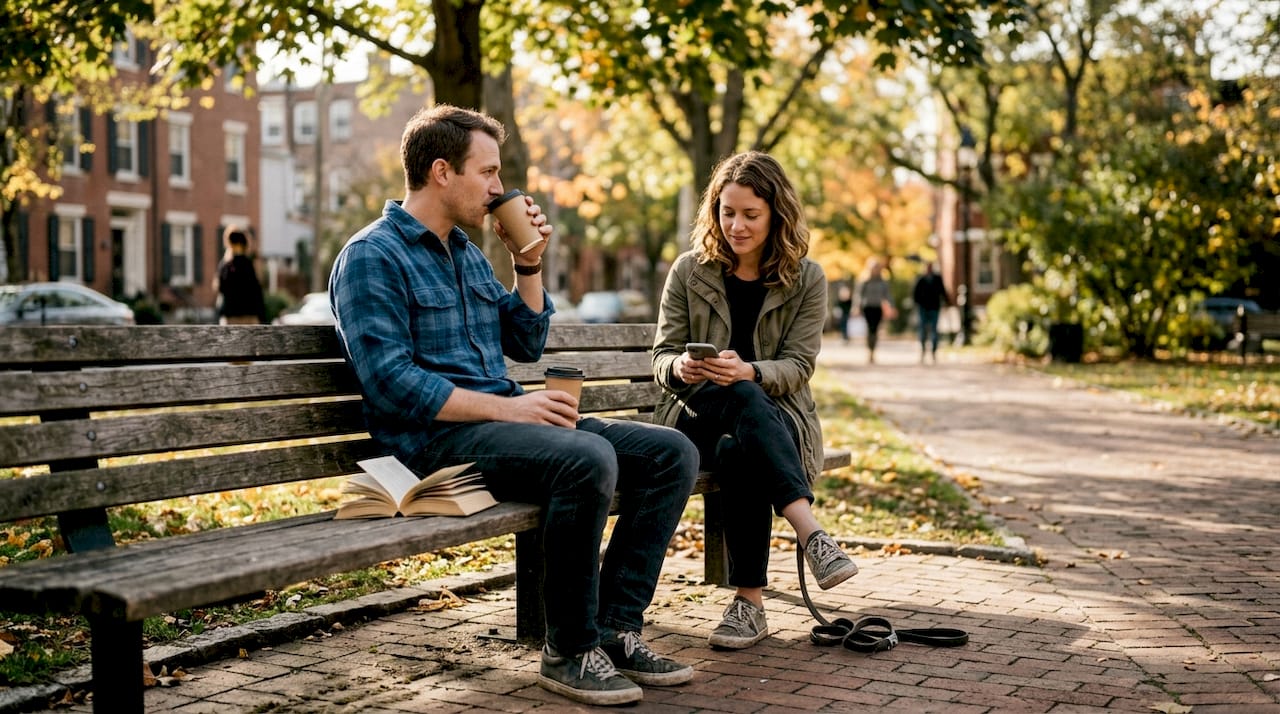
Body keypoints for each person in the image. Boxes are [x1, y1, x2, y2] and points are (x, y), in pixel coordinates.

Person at [328, 105, 699, 707]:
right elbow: (390, 383)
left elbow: (523, 341)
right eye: (489, 172)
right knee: (586, 458)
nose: (500, 188)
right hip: (427, 449)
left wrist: (527, 264)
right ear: (442, 171)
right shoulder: (373, 256)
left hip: (500, 426)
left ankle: (614, 629)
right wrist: (513, 411)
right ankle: (569, 650)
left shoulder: (467, 252)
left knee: (671, 452)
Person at [651, 151, 858, 651]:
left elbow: (799, 366)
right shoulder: (688, 271)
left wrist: (751, 371)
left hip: (768, 420)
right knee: (735, 398)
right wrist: (679, 367)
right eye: (727, 212)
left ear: (776, 214)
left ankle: (750, 605)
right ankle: (810, 533)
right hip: (691, 418)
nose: (736, 226)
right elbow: (660, 356)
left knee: (738, 448)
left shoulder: (806, 278)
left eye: (750, 214)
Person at [214, 226, 266, 325]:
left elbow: (220, 287)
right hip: (250, 316)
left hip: (230, 317)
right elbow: (258, 292)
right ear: (245, 245)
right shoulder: (250, 265)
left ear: (230, 244)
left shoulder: (226, 266)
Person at [855, 259, 894, 363]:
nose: (875, 270)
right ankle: (869, 350)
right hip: (867, 308)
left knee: (875, 330)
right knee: (869, 329)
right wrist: (856, 307)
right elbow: (858, 295)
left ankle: (873, 350)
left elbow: (887, 295)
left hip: (877, 308)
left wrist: (891, 307)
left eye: (877, 267)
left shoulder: (883, 281)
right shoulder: (865, 281)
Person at [912, 261, 950, 363]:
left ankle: (933, 352)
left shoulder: (937, 279)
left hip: (934, 307)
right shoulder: (920, 279)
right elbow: (915, 294)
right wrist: (917, 304)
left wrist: (947, 303)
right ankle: (923, 351)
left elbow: (943, 291)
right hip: (923, 308)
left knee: (934, 330)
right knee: (923, 330)